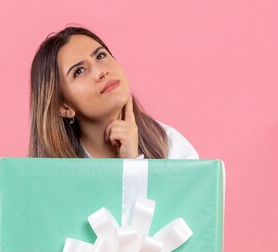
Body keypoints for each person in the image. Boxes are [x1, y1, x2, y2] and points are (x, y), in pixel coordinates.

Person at [28, 26, 199, 159]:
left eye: (101, 56)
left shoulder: (171, 146)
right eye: (79, 71)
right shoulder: (49, 176)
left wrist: (132, 165)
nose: (101, 71)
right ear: (63, 106)